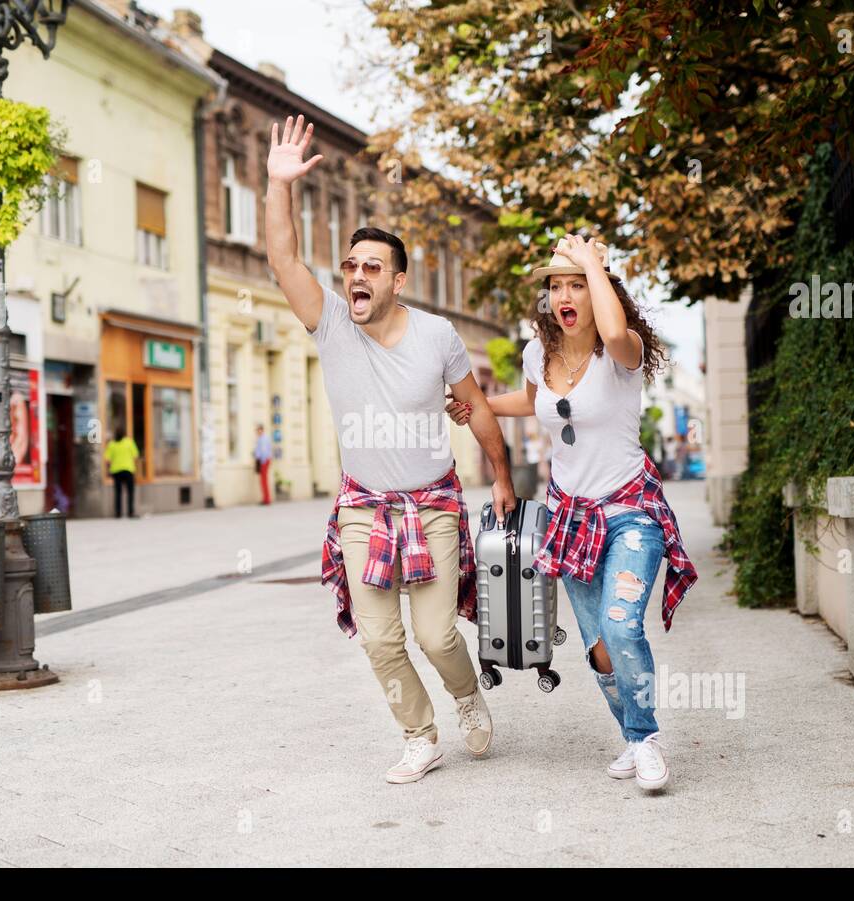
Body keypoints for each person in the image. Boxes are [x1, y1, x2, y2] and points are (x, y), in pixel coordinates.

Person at [266, 115, 517, 784]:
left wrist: (502, 475)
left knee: (436, 635)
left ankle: (466, 695)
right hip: (363, 508)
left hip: (432, 504)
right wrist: (278, 184)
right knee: (380, 639)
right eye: (350, 265)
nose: (356, 275)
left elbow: (476, 406)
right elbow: (284, 258)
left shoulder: (437, 338)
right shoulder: (330, 325)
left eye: (371, 266)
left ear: (398, 280)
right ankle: (420, 734)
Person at [448, 234, 697, 792]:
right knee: (598, 647)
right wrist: (478, 408)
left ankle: (647, 738)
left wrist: (592, 261)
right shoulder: (540, 353)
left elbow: (612, 330)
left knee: (621, 623)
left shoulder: (622, 351)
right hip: (570, 518)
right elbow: (531, 402)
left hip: (631, 510)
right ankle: (633, 738)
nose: (564, 294)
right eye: (556, 285)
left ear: (599, 290)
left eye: (576, 285)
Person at [103, 428, 140, 519]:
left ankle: (118, 513)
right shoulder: (129, 442)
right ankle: (130, 512)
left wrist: (109, 469)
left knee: (118, 492)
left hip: (116, 471)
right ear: (124, 434)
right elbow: (136, 456)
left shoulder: (111, 444)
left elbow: (107, 460)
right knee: (130, 492)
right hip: (128, 470)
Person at [254, 425, 273, 505]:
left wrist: (262, 461)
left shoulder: (263, 439)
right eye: (257, 431)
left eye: (258, 430)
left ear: (261, 430)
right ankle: (265, 498)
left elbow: (264, 451)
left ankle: (266, 499)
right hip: (263, 460)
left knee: (264, 481)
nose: (257, 432)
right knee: (263, 481)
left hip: (264, 461)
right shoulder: (261, 438)